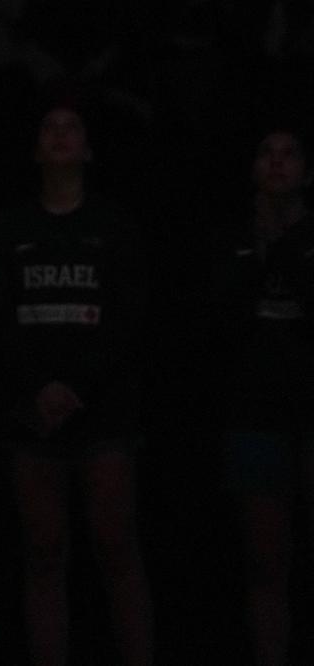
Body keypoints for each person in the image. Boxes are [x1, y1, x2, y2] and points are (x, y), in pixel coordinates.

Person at [0, 100, 153, 666]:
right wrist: (38, 390)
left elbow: (129, 320)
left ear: (88, 148)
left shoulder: (115, 227)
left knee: (116, 549)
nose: (60, 136)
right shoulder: (10, 229)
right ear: (36, 149)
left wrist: (78, 387)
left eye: (72, 127)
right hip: (34, 414)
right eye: (49, 127)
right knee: (43, 552)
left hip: (103, 413)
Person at [211, 126, 314, 666]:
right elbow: (219, 325)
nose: (277, 164)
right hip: (253, 416)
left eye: (289, 154)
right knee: (265, 562)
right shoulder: (231, 240)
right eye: (266, 153)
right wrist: (261, 252)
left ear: (307, 171)